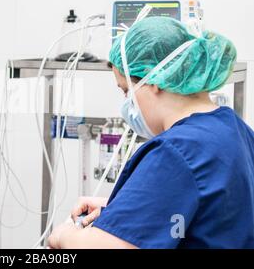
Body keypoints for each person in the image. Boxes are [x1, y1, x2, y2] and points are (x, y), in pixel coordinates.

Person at [48, 16, 254, 248]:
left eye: (126, 90)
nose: (127, 103)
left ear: (155, 80)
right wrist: (122, 209)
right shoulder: (235, 129)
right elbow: (210, 212)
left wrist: (64, 235)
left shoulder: (177, 150)